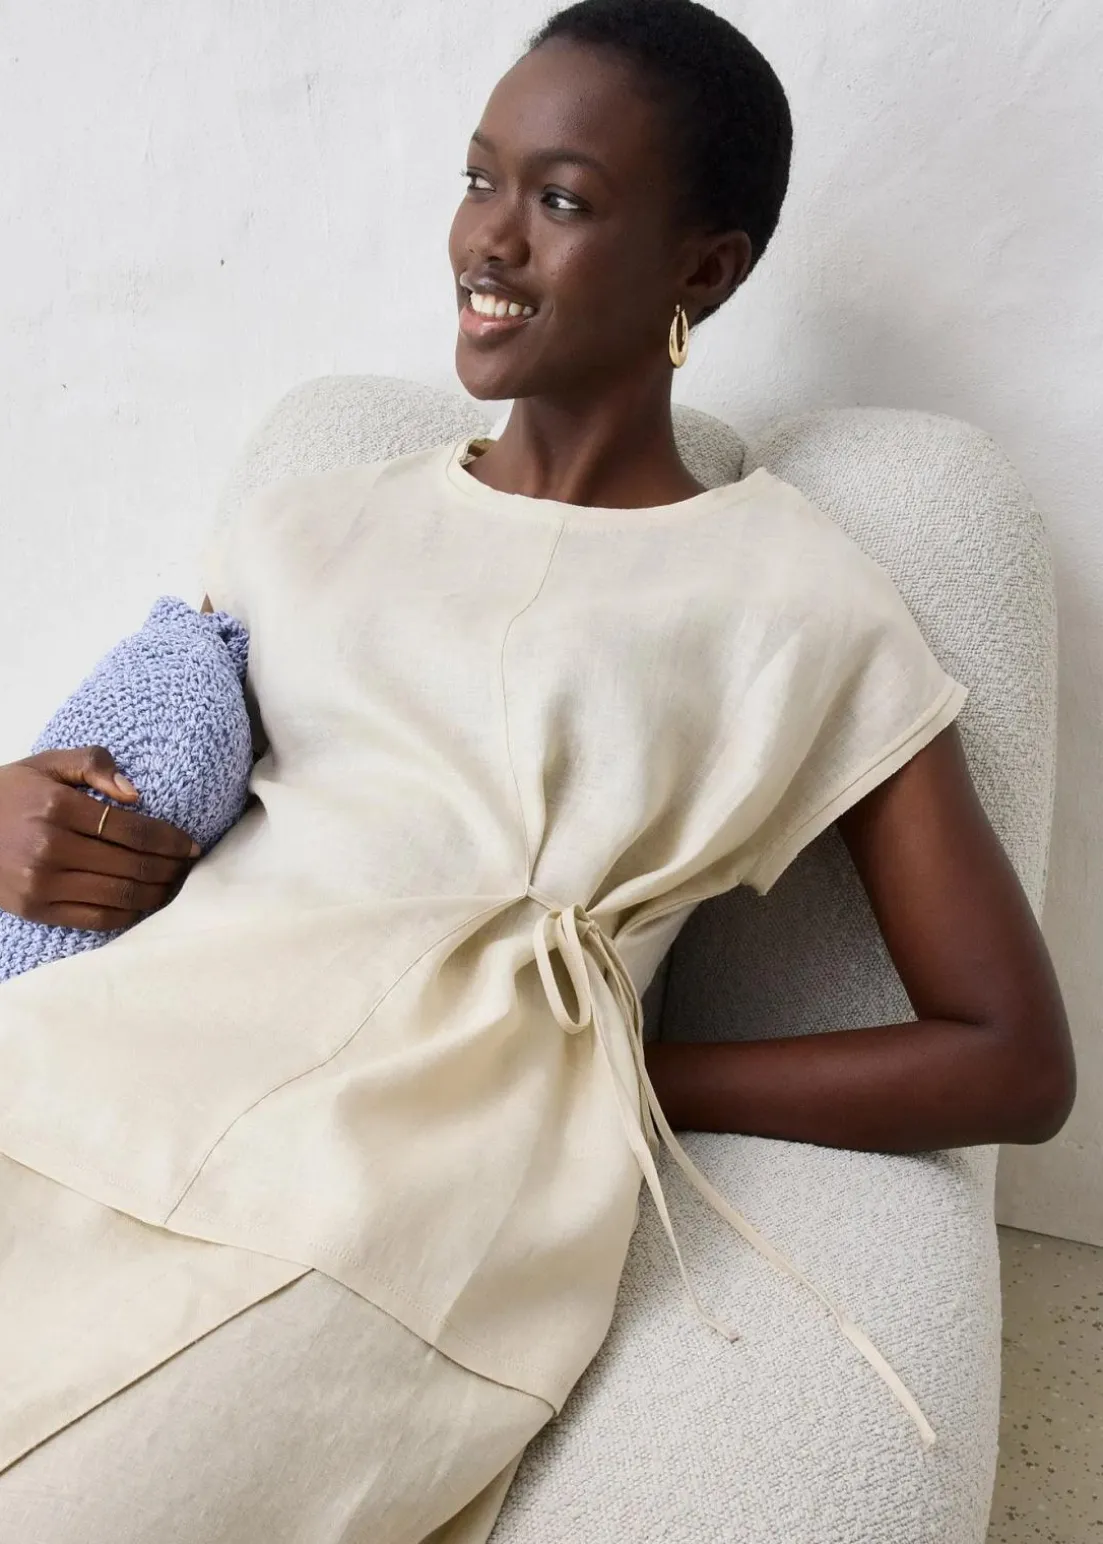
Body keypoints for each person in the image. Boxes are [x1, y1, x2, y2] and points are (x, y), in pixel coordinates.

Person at [0, 1, 1075, 1539]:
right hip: (86, 1082)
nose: (489, 239)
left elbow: (1009, 1059)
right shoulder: (308, 522)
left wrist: (604, 1080)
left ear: (704, 269)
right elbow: (140, 771)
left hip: (386, 1211)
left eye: (561, 200)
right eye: (478, 178)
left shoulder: (797, 603)